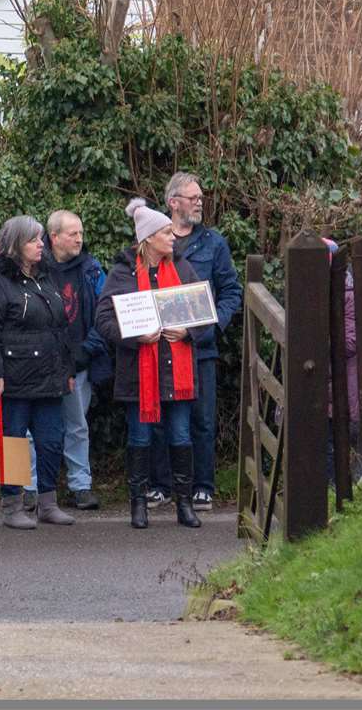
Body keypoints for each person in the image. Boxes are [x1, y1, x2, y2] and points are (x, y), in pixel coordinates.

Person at [96, 200, 204, 529]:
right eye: (166, 233)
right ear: (149, 238)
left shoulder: (183, 268)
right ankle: (138, 504)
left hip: (177, 371)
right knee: (139, 438)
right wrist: (134, 337)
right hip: (138, 375)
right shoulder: (121, 273)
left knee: (181, 436)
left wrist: (188, 331)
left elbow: (203, 311)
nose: (174, 238)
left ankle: (184, 505)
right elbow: (103, 319)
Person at [0, 216, 78, 530]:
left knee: (50, 441)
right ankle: (12, 505)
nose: (41, 245)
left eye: (40, 239)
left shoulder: (46, 277)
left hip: (48, 376)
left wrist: (67, 371)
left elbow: (61, 328)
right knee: (11, 443)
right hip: (13, 376)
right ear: (16, 245)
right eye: (34, 240)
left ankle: (48, 503)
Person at [156, 172, 241, 513]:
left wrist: (211, 327)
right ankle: (162, 486)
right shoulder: (156, 238)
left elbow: (231, 292)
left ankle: (202, 487)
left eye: (200, 197)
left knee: (202, 420)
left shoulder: (214, 243)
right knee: (160, 420)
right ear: (172, 202)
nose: (199, 202)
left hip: (200, 348)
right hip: (160, 347)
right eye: (192, 197)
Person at [44, 210, 112, 510]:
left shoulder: (92, 269)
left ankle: (80, 485)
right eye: (73, 233)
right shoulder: (36, 268)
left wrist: (88, 350)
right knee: (38, 428)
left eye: (81, 232)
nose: (79, 238)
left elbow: (107, 312)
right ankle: (33, 488)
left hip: (80, 360)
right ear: (54, 237)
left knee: (77, 424)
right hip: (42, 363)